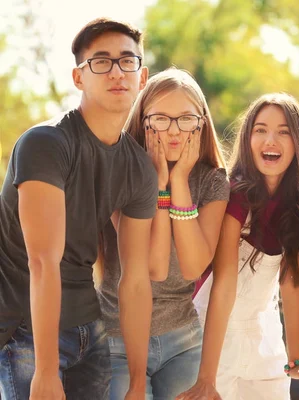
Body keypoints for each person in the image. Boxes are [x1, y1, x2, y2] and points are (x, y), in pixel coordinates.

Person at [0, 18, 157, 399]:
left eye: (127, 61)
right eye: (100, 62)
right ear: (78, 78)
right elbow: (42, 262)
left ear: (142, 75)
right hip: (26, 330)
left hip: (88, 326)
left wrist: (138, 382)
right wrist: (45, 370)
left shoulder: (138, 167)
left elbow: (135, 280)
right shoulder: (46, 144)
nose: (117, 72)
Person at [185, 93, 299, 400]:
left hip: (264, 333)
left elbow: (293, 281)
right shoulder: (235, 195)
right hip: (212, 331)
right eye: (260, 130)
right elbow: (225, 283)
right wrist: (206, 376)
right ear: (247, 139)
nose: (271, 139)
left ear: (298, 143)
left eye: (284, 131)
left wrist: (295, 359)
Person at [96, 68, 229, 399]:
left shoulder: (213, 181)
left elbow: (192, 267)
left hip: (183, 339)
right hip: (117, 339)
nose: (173, 131)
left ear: (201, 124)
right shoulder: (119, 174)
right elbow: (152, 267)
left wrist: (179, 181)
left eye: (186, 119)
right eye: (161, 119)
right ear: (143, 121)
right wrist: (156, 183)